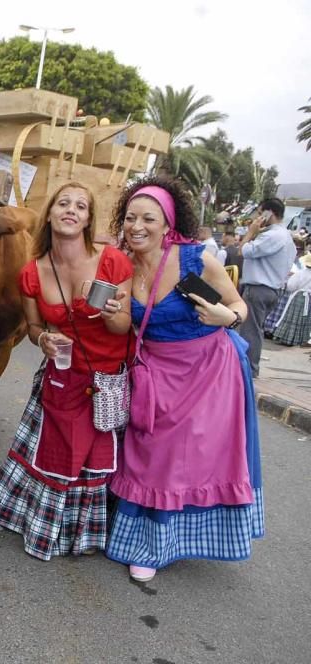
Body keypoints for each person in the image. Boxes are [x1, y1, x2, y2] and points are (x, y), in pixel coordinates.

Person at [105, 176, 264, 583]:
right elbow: (123, 325)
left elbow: (238, 304)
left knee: (176, 457)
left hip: (208, 371)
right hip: (154, 373)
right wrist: (110, 315)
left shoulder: (197, 259)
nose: (137, 226)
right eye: (130, 218)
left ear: (167, 223)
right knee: (146, 451)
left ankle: (157, 548)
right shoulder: (123, 264)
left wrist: (226, 318)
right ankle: (140, 535)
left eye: (148, 218)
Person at [0, 183, 133, 560]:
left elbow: (123, 328)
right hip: (63, 377)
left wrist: (115, 315)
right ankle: (46, 528)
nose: (71, 210)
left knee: (93, 460)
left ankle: (85, 535)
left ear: (87, 219)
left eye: (81, 206)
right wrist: (44, 341)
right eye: (63, 203)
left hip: (107, 379)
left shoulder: (113, 262)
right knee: (57, 455)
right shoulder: (32, 273)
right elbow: (34, 330)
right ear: (49, 214)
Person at [236, 197, 297, 376]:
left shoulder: (273, 235)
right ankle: (248, 367)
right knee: (254, 328)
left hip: (259, 288)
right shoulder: (285, 236)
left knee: (250, 330)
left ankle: (248, 369)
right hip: (271, 289)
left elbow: (244, 250)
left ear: (270, 213)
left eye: (261, 212)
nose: (258, 216)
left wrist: (251, 232)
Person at [271, 250, 311, 346]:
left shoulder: (301, 273)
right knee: (305, 319)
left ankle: (287, 337)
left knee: (292, 317)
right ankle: (300, 339)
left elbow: (290, 286)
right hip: (309, 298)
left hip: (299, 296)